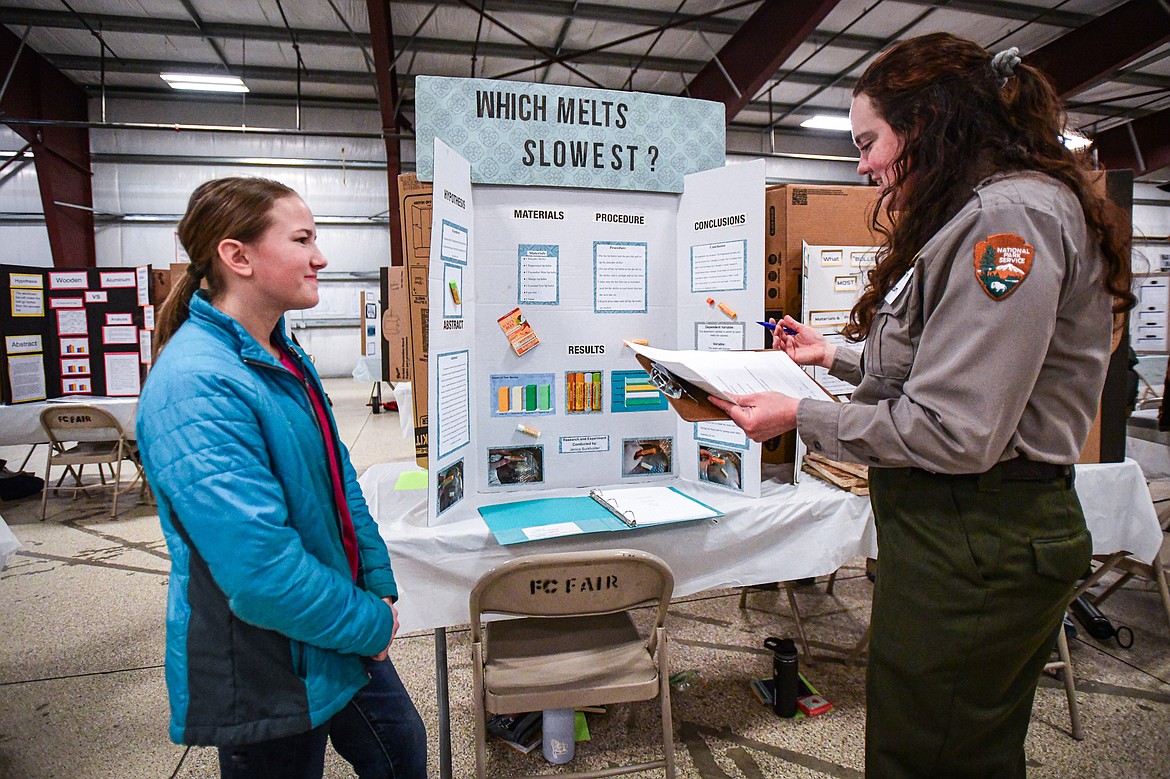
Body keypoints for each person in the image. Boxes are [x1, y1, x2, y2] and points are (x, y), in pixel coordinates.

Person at [709, 33, 1134, 777]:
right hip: (967, 532)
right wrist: (832, 355)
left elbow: (954, 428)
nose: (864, 163)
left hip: (978, 532)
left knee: (926, 753)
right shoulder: (979, 211)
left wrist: (797, 416)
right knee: (954, 743)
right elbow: (941, 367)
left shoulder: (1008, 223)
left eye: (869, 141)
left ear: (931, 121)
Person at [137, 177, 427, 779]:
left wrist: (377, 581)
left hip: (330, 625)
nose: (320, 257)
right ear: (236, 256)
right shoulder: (196, 385)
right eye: (302, 239)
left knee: (401, 749)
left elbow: (338, 479)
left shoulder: (281, 353)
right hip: (264, 661)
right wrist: (369, 623)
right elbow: (260, 573)